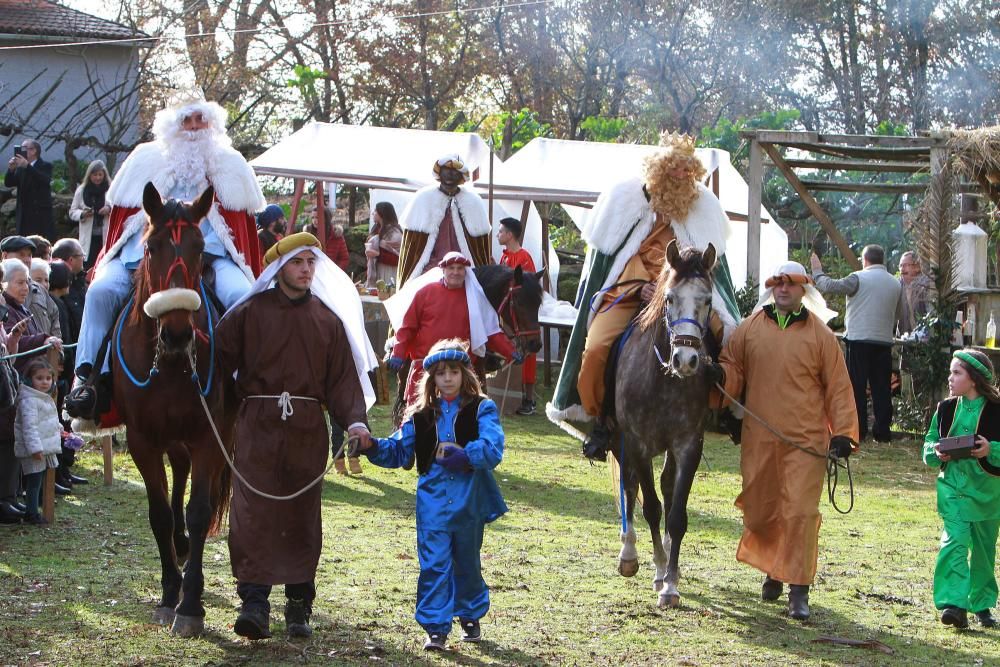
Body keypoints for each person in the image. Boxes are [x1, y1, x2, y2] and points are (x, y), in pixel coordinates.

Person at [216, 232, 378, 640]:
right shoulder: (248, 312)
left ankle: (298, 603)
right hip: (257, 425)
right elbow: (217, 365)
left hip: (307, 429)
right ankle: (254, 603)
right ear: (279, 268)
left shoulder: (327, 320)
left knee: (301, 515)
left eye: (311, 263)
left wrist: (355, 421)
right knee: (253, 511)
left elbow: (342, 381)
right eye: (297, 262)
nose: (306, 270)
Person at [65, 95, 265, 422]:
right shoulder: (144, 159)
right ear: (174, 125)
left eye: (201, 120)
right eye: (188, 120)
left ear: (212, 124)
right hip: (143, 255)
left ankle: (247, 380)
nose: (195, 127)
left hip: (210, 256)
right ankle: (89, 378)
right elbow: (124, 221)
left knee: (242, 296)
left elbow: (238, 230)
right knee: (100, 292)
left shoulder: (231, 164)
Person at [547, 132, 740, 460]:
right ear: (659, 170)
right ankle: (602, 418)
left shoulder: (703, 206)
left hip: (683, 294)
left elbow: (710, 267)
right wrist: (640, 287)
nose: (680, 176)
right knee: (595, 348)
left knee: (730, 336)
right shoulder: (626, 200)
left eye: (685, 171)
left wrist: (676, 288)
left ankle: (725, 411)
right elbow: (610, 262)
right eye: (673, 169)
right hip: (629, 292)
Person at [713, 261, 858, 621]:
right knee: (761, 510)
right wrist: (718, 376)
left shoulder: (821, 336)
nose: (783, 289)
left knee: (799, 512)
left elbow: (839, 387)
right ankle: (774, 570)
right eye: (777, 283)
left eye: (791, 285)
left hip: (806, 440)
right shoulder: (748, 330)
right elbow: (733, 368)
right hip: (759, 438)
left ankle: (798, 590)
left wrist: (842, 433)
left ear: (803, 290)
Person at [358, 338, 507, 651]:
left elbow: (494, 447)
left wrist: (467, 455)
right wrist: (371, 445)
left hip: (469, 501)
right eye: (441, 373)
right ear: (432, 378)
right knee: (434, 565)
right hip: (432, 504)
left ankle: (469, 614)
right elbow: (397, 451)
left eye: (454, 371)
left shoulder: (483, 408)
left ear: (465, 374)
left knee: (466, 562)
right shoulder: (421, 416)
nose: (448, 378)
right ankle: (436, 627)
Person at [923, 349, 1000, 630]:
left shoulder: (996, 409)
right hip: (953, 489)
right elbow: (929, 443)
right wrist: (936, 452)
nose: (950, 378)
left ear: (975, 379)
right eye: (950, 372)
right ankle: (954, 605)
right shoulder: (945, 409)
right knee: (954, 543)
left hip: (988, 494)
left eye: (957, 373)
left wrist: (991, 450)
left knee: (983, 550)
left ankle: (981, 604)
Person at [387, 252, 516, 407]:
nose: (455, 272)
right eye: (451, 268)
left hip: (459, 372)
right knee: (420, 419)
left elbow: (491, 331)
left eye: (460, 268)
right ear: (443, 270)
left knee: (460, 421)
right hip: (426, 368)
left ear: (465, 271)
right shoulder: (425, 293)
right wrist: (398, 352)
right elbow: (408, 327)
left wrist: (510, 351)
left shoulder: (474, 298)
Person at [811, 244, 903, 443]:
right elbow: (900, 313)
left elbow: (829, 286)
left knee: (856, 387)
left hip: (858, 340)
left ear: (865, 260)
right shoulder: (896, 283)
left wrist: (817, 272)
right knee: (882, 389)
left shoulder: (858, 278)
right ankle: (882, 432)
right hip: (884, 342)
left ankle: (858, 431)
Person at [396, 154, 492, 288]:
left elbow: (480, 250)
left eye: (455, 171)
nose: (450, 175)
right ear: (439, 173)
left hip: (463, 273)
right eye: (447, 170)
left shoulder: (473, 202)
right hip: (428, 271)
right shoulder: (423, 199)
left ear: (461, 176)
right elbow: (412, 248)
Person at [497, 217, 539, 416]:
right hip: (507, 313)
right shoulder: (504, 257)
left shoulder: (524, 258)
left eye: (501, 232)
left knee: (528, 353)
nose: (498, 235)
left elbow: (528, 290)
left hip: (521, 314)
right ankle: (512, 393)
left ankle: (529, 399)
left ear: (510, 235)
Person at [14, 358, 62, 526]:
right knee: (34, 482)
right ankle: (31, 513)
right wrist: (35, 449)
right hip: (34, 450)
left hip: (43, 447)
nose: (44, 382)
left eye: (48, 378)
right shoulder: (29, 401)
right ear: (30, 379)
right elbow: (29, 427)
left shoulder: (42, 397)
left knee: (39, 480)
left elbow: (47, 420)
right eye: (39, 378)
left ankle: (34, 508)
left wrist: (59, 429)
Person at [1, 236, 61, 340]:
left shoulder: (40, 289)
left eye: (29, 255)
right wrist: (42, 340)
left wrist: (54, 349)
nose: (27, 259)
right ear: (5, 256)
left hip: (44, 353)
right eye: (21, 254)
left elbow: (54, 318)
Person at [4, 138, 55, 241]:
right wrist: (11, 169)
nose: (22, 151)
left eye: (24, 148)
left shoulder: (45, 165)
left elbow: (44, 180)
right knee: (23, 243)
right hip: (24, 214)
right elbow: (9, 183)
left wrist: (27, 166)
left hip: (39, 215)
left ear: (33, 150)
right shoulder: (21, 168)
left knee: (38, 244)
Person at [68, 160, 111, 269]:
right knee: (88, 266)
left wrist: (108, 209)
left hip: (105, 236)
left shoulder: (111, 189)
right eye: (95, 175)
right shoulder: (82, 190)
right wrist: (82, 214)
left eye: (100, 175)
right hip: (88, 237)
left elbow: (117, 207)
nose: (98, 178)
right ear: (89, 175)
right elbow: (72, 211)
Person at [50, 239, 87, 347]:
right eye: (82, 255)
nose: (84, 259)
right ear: (71, 259)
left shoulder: (81, 283)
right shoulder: (59, 289)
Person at [365, 201, 402, 288]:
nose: (373, 213)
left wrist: (378, 255)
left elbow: (399, 259)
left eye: (375, 211)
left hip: (389, 273)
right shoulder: (377, 229)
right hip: (377, 271)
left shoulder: (395, 234)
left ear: (382, 213)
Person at [897, 251, 936, 335]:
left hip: (926, 338)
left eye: (905, 265)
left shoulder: (927, 284)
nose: (902, 269)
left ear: (917, 267)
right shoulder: (897, 285)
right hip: (905, 338)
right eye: (900, 266)